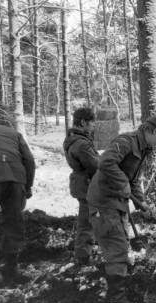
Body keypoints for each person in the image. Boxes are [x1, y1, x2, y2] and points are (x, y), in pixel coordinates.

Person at [87, 115, 156, 303]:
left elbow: (133, 181)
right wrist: (122, 184)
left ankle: (117, 280)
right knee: (117, 246)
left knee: (122, 242)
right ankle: (115, 299)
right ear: (153, 132)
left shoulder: (143, 149)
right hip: (104, 200)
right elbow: (106, 162)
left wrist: (143, 205)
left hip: (118, 201)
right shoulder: (126, 141)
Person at [0, 111, 35, 287]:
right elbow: (29, 160)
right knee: (13, 223)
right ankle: (12, 271)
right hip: (16, 179)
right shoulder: (13, 133)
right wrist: (27, 187)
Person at [63, 108, 99, 266]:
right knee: (86, 222)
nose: (94, 125)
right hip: (87, 185)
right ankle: (83, 257)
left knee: (91, 219)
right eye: (92, 122)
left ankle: (89, 248)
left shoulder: (75, 139)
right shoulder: (81, 144)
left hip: (83, 183)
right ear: (83, 122)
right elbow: (95, 165)